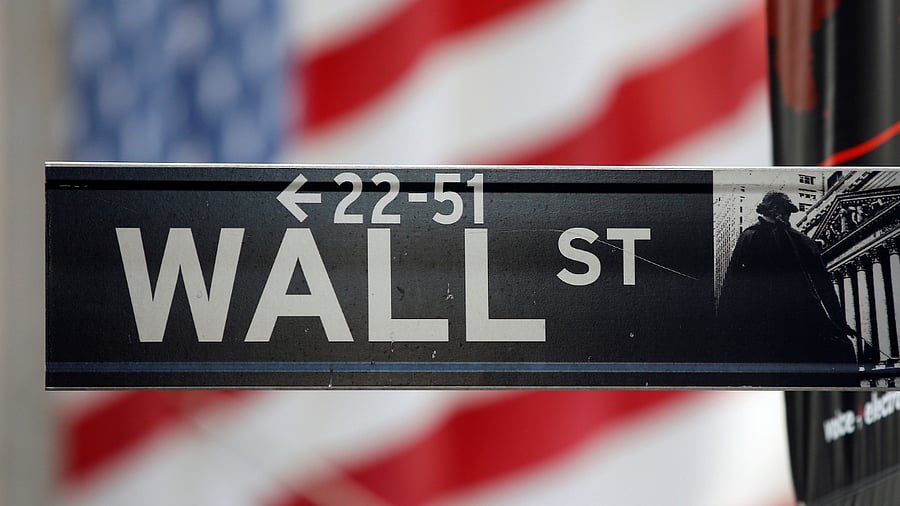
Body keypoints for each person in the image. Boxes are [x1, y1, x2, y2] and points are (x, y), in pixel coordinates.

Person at [718, 191, 857, 363]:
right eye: (786, 211)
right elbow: (733, 283)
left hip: (792, 321)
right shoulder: (751, 236)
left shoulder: (800, 240)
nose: (788, 216)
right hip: (769, 322)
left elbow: (824, 285)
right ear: (774, 209)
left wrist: (840, 322)